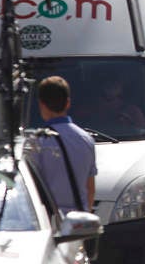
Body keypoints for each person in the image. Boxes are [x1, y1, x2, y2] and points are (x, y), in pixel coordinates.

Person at [34, 76, 98, 213]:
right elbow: (90, 190)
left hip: (50, 219)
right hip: (78, 224)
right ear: (68, 103)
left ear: (41, 105)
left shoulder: (37, 142)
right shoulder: (86, 139)